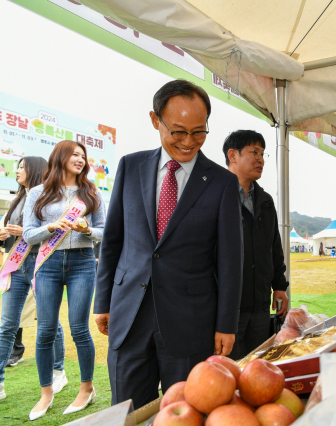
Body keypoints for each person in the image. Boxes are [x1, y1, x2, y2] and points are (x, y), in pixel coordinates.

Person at [93, 80, 243, 409]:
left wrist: (225, 324)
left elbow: (231, 262)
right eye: (177, 131)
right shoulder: (131, 167)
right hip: (128, 315)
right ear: (154, 120)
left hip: (191, 323)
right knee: (128, 411)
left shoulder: (223, 183)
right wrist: (102, 301)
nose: (189, 142)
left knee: (186, 411)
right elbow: (114, 239)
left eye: (199, 132)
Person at [23, 141, 106, 419]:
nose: (81, 159)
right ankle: (46, 393)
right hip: (47, 263)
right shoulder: (39, 192)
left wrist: (87, 228)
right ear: (60, 157)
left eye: (84, 156)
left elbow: (104, 232)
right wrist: (50, 226)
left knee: (79, 329)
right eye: (75, 154)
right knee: (45, 330)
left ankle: (87, 389)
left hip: (82, 261)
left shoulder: (90, 192)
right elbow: (27, 235)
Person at [0, 157, 67, 402]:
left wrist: (28, 232)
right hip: (16, 266)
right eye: (16, 167)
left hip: (42, 263)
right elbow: (11, 234)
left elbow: (57, 230)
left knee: (50, 323)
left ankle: (59, 371)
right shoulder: (18, 198)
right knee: (7, 323)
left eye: (21, 167)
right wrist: (4, 234)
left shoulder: (49, 198)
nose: (16, 170)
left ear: (35, 170)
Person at [223, 130, 289, 360]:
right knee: (231, 371)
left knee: (259, 367)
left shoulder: (266, 201)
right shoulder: (216, 195)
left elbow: (274, 247)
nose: (260, 159)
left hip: (260, 306)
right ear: (233, 155)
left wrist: (279, 285)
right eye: (254, 152)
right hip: (229, 308)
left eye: (262, 153)